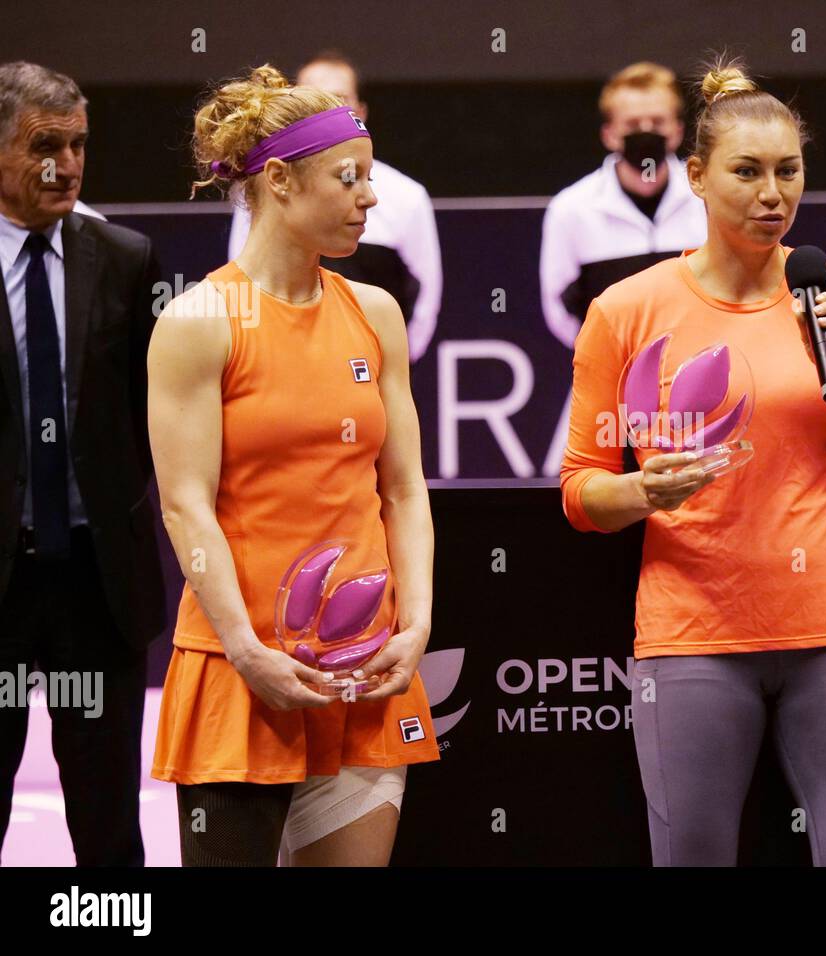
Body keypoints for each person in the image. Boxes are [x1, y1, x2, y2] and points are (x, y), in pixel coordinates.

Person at [561, 57, 826, 866]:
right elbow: (581, 491)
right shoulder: (627, 310)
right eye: (747, 172)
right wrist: (643, 491)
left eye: (789, 171)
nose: (773, 194)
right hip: (692, 638)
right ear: (695, 175)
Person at [149, 65, 441, 866]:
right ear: (278, 180)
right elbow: (185, 506)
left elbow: (404, 488)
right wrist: (247, 650)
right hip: (243, 674)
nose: (370, 198)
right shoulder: (198, 321)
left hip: (364, 673)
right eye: (349, 179)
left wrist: (413, 624)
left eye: (369, 178)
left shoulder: (375, 314)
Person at [0, 60, 165, 865]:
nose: (64, 165)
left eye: (77, 146)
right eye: (43, 147)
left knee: (108, 823)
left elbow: (151, 418)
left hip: (98, 590)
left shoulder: (126, 259)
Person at [227, 51, 443, 363]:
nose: (367, 200)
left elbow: (423, 304)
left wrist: (384, 367)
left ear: (361, 111)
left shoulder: (405, 199)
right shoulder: (204, 319)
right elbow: (243, 283)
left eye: (339, 99)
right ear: (277, 180)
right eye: (312, 99)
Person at [540, 61, 706, 351]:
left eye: (657, 123)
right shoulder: (570, 209)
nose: (645, 132)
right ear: (609, 134)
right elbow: (560, 310)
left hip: (704, 373)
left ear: (678, 130)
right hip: (610, 376)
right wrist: (612, 356)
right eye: (631, 125)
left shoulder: (710, 197)